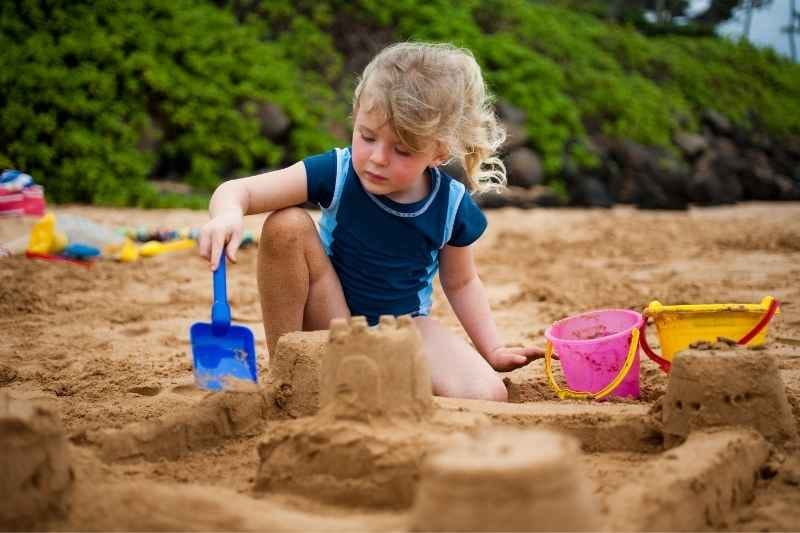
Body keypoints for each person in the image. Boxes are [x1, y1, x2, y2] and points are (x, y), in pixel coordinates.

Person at [199, 42, 544, 402]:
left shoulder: (451, 205)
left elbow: (461, 283)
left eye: (403, 150)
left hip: (403, 326)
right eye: (367, 136)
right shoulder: (339, 171)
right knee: (286, 224)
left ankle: (377, 381)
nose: (377, 158)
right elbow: (240, 190)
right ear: (356, 115)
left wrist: (493, 350)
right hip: (332, 320)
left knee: (487, 394)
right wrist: (227, 213)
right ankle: (288, 372)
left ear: (438, 151)